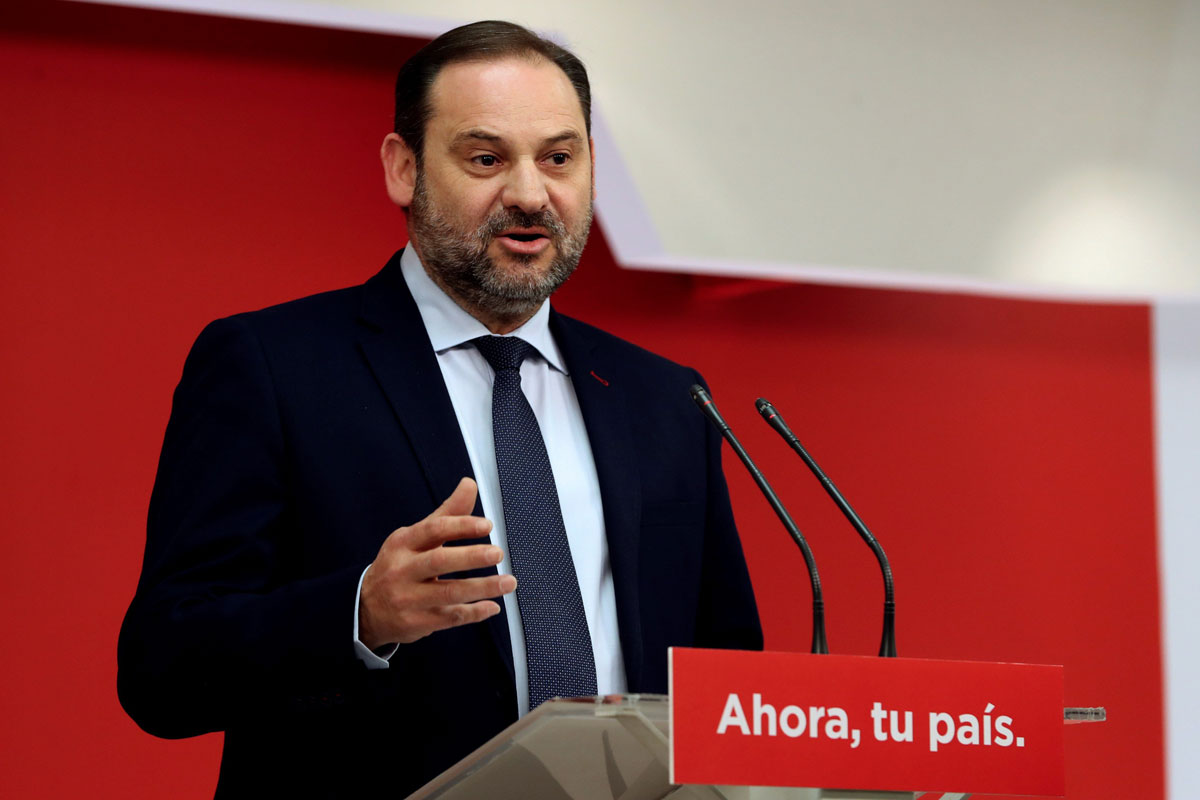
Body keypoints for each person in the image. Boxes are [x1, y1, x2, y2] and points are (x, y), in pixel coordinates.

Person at [118, 20, 761, 798]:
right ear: (404, 168)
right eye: (486, 158)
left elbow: (726, 676)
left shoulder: (664, 399)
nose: (530, 194)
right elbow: (163, 670)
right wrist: (362, 613)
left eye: (559, 158)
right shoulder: (274, 366)